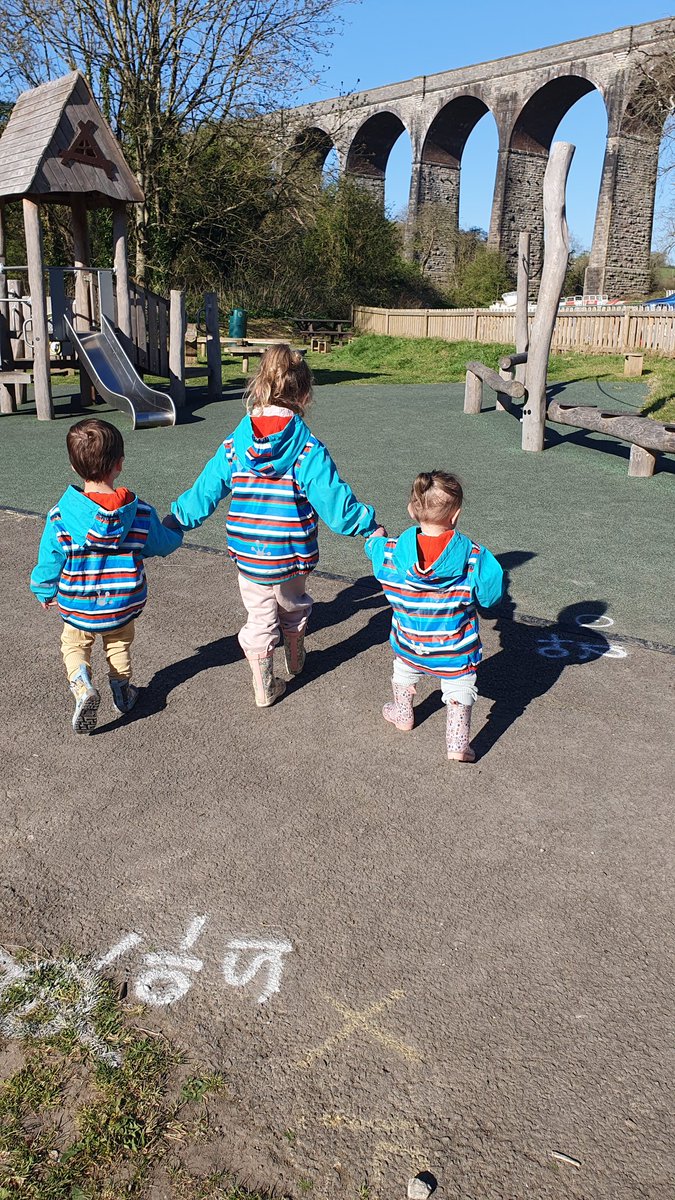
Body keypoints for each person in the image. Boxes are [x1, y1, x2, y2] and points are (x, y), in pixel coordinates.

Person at [166, 344, 383, 707]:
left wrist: (179, 518)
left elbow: (206, 488)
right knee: (292, 603)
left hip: (249, 551)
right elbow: (334, 501)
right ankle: (295, 652)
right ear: (305, 393)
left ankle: (264, 683)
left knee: (259, 615)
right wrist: (367, 525)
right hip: (290, 550)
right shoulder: (306, 448)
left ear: (259, 385)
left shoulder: (235, 445)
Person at [30, 418, 183, 734]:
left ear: (75, 468)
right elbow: (159, 543)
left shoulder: (60, 515)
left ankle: (82, 685)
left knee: (74, 644)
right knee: (118, 644)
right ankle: (122, 691)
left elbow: (50, 559)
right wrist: (175, 532)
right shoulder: (138, 512)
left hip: (78, 603)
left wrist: (44, 589)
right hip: (121, 602)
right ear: (120, 464)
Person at [364, 470, 503, 762]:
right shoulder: (474, 558)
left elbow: (374, 549)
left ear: (412, 509)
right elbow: (491, 598)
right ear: (455, 516)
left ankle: (403, 713)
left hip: (409, 643)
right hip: (453, 651)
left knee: (403, 667)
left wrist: (375, 538)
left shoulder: (389, 554)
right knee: (460, 685)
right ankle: (457, 743)